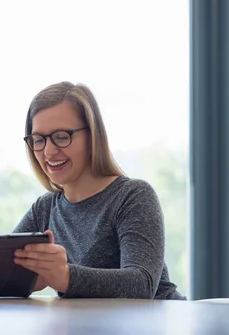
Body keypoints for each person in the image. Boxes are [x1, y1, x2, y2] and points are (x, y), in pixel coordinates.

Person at [13, 82, 186, 299]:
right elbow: (6, 269)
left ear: (92, 135)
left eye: (62, 137)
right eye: (39, 140)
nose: (48, 151)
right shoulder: (45, 208)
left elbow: (142, 285)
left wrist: (65, 277)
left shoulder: (133, 196)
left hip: (157, 327)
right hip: (90, 330)